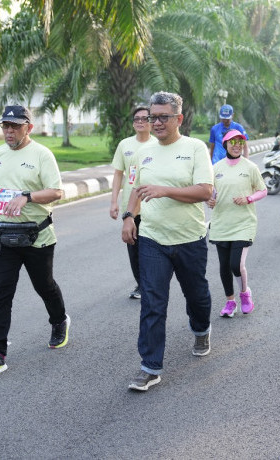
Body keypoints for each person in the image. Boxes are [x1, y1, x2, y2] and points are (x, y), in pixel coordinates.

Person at [122, 91, 214, 392]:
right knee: (152, 301)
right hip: (152, 239)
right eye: (152, 116)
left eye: (163, 117)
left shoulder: (195, 148)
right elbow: (136, 189)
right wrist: (128, 217)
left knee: (196, 295)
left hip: (189, 238)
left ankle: (201, 329)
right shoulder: (142, 152)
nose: (156, 122)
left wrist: (166, 190)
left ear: (179, 119)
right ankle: (150, 366)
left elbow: (204, 191)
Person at [0, 105, 69, 376]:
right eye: (5, 125)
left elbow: (57, 191)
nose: (9, 131)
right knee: (1, 294)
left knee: (44, 285)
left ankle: (59, 320)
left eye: (15, 126)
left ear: (29, 127)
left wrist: (27, 197)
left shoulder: (42, 155)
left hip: (37, 235)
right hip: (2, 234)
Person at [207, 129, 267, 317]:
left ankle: (245, 294)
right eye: (232, 142)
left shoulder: (250, 167)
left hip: (243, 223)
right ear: (225, 144)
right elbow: (210, 193)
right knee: (224, 266)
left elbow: (262, 190)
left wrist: (249, 198)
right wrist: (208, 200)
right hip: (221, 223)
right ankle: (230, 302)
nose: (236, 146)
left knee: (236, 265)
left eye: (240, 143)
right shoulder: (216, 168)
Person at [109, 104, 157, 299]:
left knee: (151, 246)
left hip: (153, 204)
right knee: (134, 247)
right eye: (136, 119)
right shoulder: (125, 145)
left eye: (145, 119)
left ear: (152, 122)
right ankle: (141, 284)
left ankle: (151, 283)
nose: (140, 122)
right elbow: (118, 174)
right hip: (131, 207)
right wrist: (114, 202)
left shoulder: (157, 144)